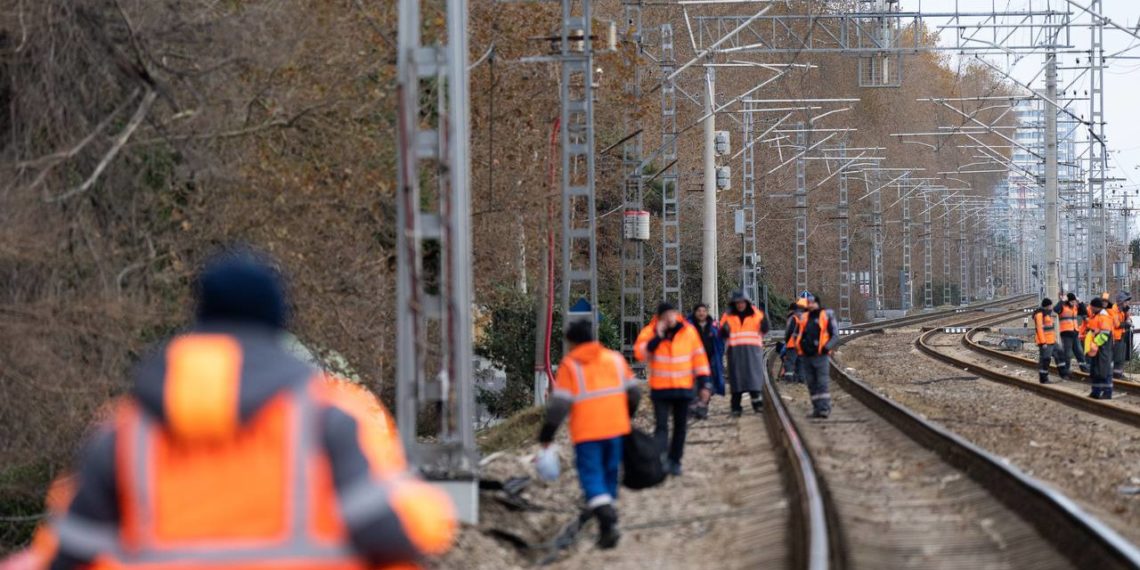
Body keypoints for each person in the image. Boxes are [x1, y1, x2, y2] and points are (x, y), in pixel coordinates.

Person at [47, 250, 456, 569]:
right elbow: (387, 534)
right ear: (278, 321)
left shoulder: (124, 429)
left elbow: (68, 554)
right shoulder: (326, 417)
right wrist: (434, 510)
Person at [539, 321, 640, 550]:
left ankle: (605, 516)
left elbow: (559, 406)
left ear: (572, 342)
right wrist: (626, 416)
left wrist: (547, 434)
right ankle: (608, 522)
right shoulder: (614, 359)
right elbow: (634, 393)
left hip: (587, 432)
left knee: (591, 476)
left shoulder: (570, 366)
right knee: (610, 472)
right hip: (616, 427)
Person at [634, 303, 710, 477]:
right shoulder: (649, 332)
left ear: (677, 314)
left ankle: (675, 461)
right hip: (660, 389)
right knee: (661, 427)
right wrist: (658, 337)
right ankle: (660, 458)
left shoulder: (688, 332)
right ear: (659, 317)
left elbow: (699, 359)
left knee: (680, 427)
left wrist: (705, 383)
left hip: (683, 388)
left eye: (672, 314)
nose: (669, 318)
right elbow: (640, 354)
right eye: (665, 315)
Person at [719, 291, 770, 417]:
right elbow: (721, 332)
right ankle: (736, 407)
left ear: (746, 302)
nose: (740, 305)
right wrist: (724, 331)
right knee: (736, 379)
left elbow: (765, 328)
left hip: (753, 351)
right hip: (735, 351)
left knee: (753, 377)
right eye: (738, 303)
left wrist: (765, 325)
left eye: (742, 302)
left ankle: (757, 404)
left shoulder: (757, 314)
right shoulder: (728, 316)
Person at [796, 292, 838, 419]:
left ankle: (824, 408)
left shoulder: (826, 315)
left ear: (818, 303)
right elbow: (799, 334)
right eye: (809, 303)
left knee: (822, 382)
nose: (811, 305)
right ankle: (817, 408)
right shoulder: (804, 317)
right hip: (806, 355)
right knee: (811, 383)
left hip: (821, 355)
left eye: (813, 302)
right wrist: (800, 347)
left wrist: (826, 348)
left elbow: (835, 335)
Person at [687, 303, 725, 420]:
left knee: (707, 386)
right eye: (699, 311)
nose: (701, 313)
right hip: (692, 362)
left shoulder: (712, 327)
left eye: (703, 311)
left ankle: (703, 408)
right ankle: (693, 409)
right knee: (693, 386)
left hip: (709, 362)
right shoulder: (688, 326)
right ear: (695, 312)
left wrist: (718, 357)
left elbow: (719, 343)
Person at [1086, 297, 1116, 399]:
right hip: (1097, 349)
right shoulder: (1097, 316)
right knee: (1096, 371)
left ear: (1095, 307)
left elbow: (1104, 335)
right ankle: (1096, 392)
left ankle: (1107, 393)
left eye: (1092, 306)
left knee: (1104, 370)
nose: (1090, 308)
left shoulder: (1104, 317)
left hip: (1103, 349)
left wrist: (1095, 343)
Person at [1034, 298, 1068, 383]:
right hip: (1045, 342)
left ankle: (1064, 374)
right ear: (1047, 306)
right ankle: (1043, 378)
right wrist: (1043, 342)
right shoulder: (1039, 314)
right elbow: (1039, 329)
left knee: (1060, 353)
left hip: (1052, 341)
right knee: (1045, 359)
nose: (1051, 307)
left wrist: (1062, 301)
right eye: (1050, 305)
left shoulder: (1047, 313)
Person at [1057, 293, 1089, 373]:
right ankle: (1066, 370)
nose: (1073, 303)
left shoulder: (1074, 308)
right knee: (1067, 353)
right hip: (1066, 333)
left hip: (1075, 332)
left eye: (1074, 301)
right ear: (1068, 301)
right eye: (1072, 301)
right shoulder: (1062, 307)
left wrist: (1080, 302)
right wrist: (1062, 301)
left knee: (1079, 351)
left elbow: (1084, 312)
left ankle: (1084, 367)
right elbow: (1055, 309)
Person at [783, 298, 809, 383]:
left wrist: (787, 342)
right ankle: (801, 380)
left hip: (793, 344)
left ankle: (789, 380)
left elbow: (789, 331)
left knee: (790, 362)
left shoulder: (794, 317)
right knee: (801, 363)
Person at [1111, 291, 1132, 380]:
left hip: (1122, 336)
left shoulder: (1123, 310)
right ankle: (1115, 375)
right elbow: (1117, 324)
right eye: (1126, 301)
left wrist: (1127, 314)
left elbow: (1129, 320)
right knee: (1117, 358)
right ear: (1121, 301)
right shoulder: (1114, 310)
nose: (1128, 303)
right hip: (1115, 338)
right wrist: (1127, 324)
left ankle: (1118, 374)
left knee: (1121, 357)